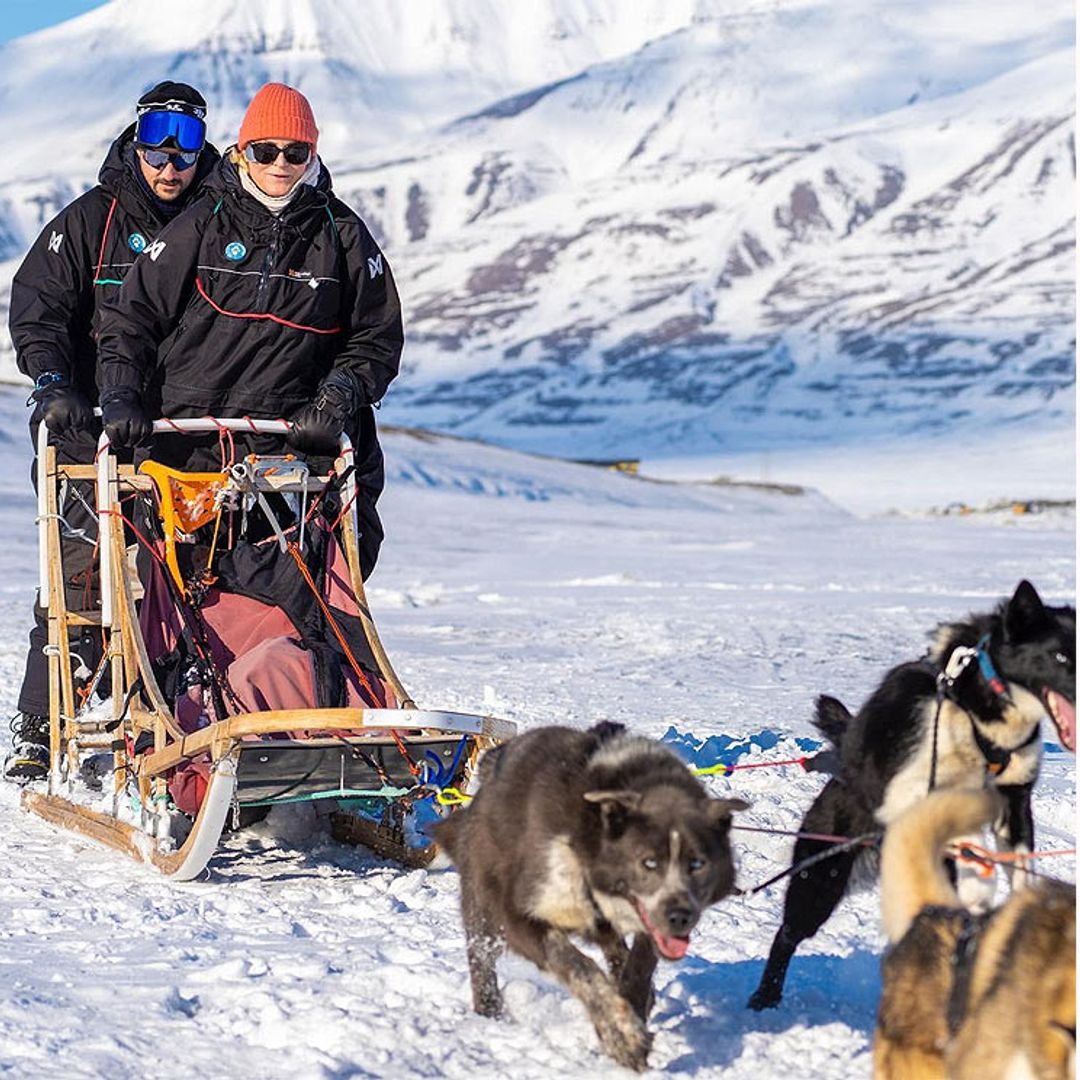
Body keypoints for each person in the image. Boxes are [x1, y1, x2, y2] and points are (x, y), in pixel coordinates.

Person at [97, 82, 402, 578]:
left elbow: (377, 336)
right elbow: (132, 315)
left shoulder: (342, 234)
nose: (280, 164)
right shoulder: (202, 222)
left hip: (290, 447)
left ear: (312, 154)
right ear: (243, 152)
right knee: (178, 595)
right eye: (266, 150)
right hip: (187, 441)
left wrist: (337, 398)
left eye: (296, 152)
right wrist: (121, 392)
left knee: (286, 601)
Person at [4, 81, 218, 781]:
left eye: (186, 142)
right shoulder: (91, 221)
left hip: (182, 435)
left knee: (192, 581)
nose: (170, 160)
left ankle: (179, 717)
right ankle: (42, 723)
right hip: (88, 434)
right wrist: (53, 382)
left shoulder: (223, 221)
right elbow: (37, 309)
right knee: (79, 581)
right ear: (134, 139)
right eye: (157, 136)